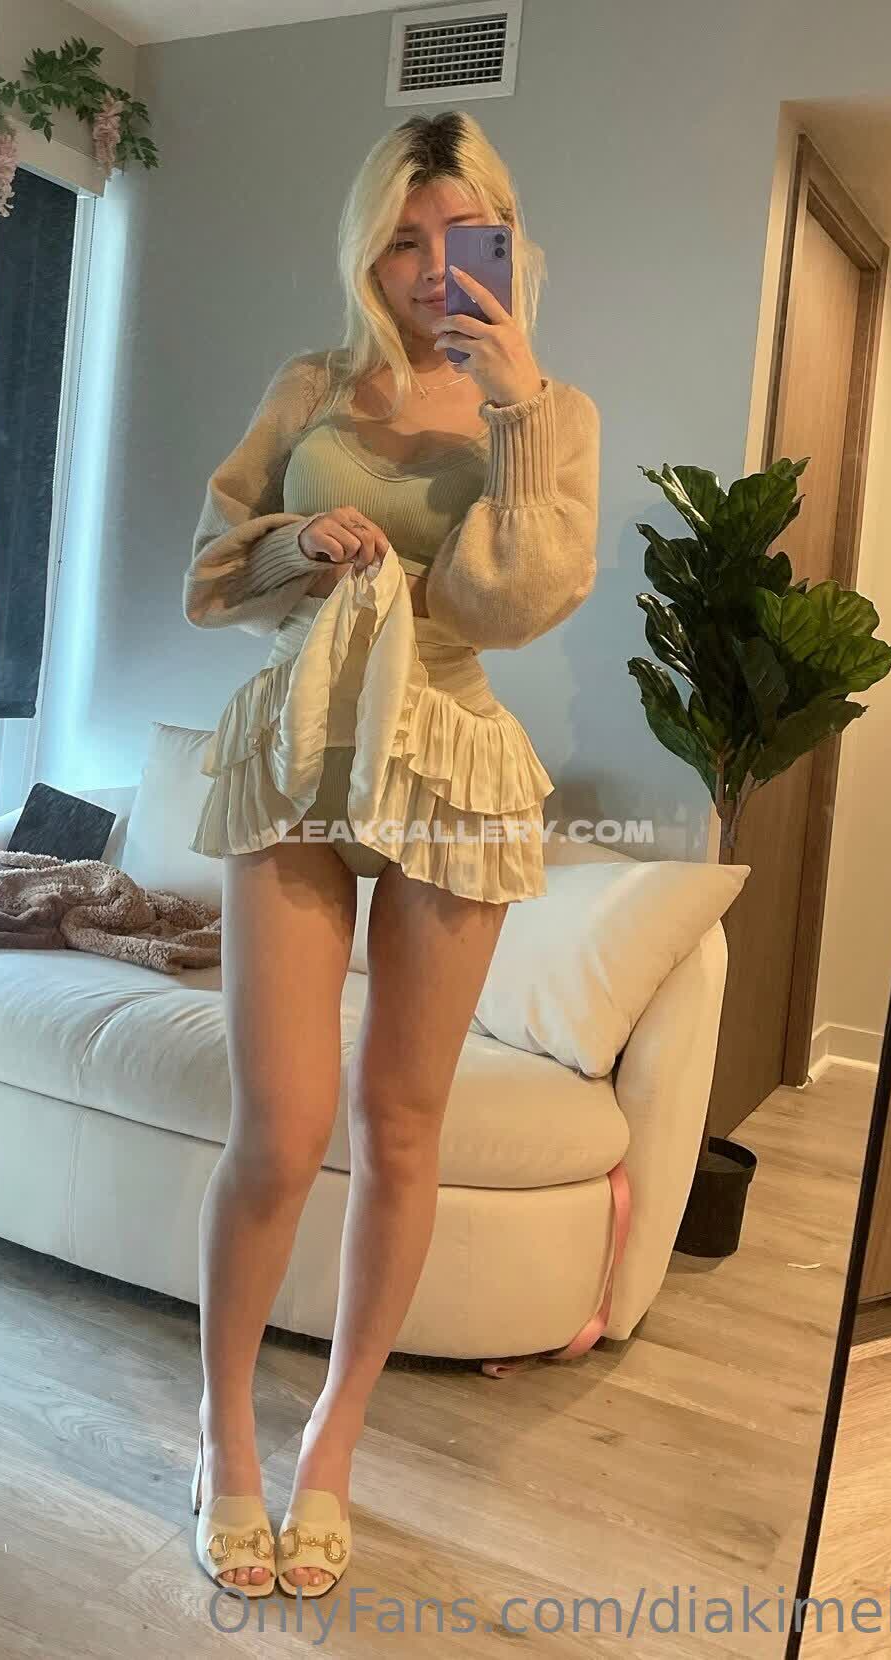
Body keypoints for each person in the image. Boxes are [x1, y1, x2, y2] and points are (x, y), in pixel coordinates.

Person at [183, 109, 600, 1599]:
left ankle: (332, 1443)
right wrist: (302, 547)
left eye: (461, 237)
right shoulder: (310, 384)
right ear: (369, 244)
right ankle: (226, 1436)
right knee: (281, 1129)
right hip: (300, 740)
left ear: (506, 240)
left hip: (452, 753)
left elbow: (511, 606)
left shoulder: (549, 409)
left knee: (403, 1125)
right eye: (403, 238)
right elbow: (214, 570)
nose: (431, 269)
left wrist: (517, 409)